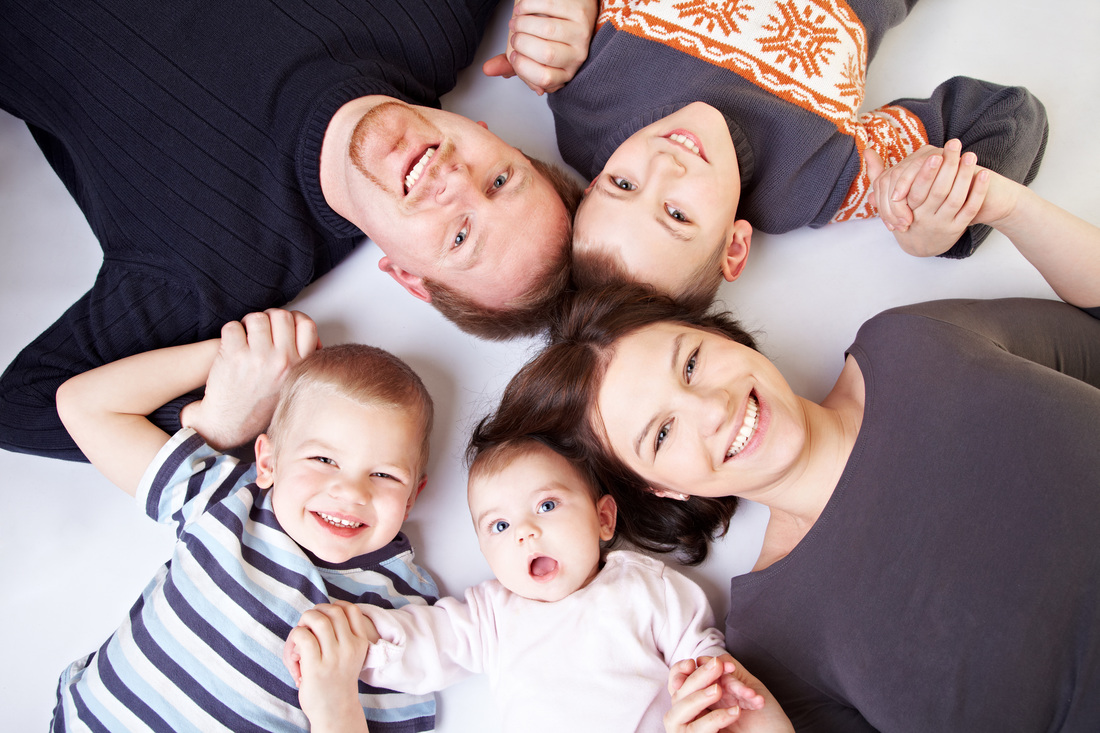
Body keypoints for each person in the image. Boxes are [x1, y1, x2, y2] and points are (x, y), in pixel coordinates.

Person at [473, 158, 1100, 730]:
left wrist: (1006, 204)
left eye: (690, 363)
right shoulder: (770, 648)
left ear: (724, 336)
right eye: (662, 434)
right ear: (662, 489)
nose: (711, 408)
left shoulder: (911, 343)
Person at [0, 0, 584, 463]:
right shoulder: (429, 21)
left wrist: (209, 421)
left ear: (409, 278)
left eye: (459, 237)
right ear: (492, 134)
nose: (455, 180)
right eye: (500, 180)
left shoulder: (211, 269)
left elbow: (22, 406)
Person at [50, 309, 441, 732]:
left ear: (410, 499)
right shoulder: (232, 501)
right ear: (268, 462)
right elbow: (84, 406)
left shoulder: (403, 612)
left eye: (383, 475)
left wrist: (336, 706)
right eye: (323, 459)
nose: (351, 492)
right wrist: (227, 356)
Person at [536, 0, 1048, 307]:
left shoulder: (583, 98)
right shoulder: (811, 183)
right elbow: (1007, 114)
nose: (663, 167)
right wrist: (943, 218)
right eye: (677, 214)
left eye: (622, 184)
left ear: (594, 180)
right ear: (734, 247)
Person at [282, 438, 792, 732]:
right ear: (487, 554)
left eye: (547, 505)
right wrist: (356, 636)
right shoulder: (492, 614)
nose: (525, 532)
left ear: (603, 519)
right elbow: (427, 643)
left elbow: (699, 650)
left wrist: (711, 680)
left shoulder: (644, 586)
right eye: (499, 526)